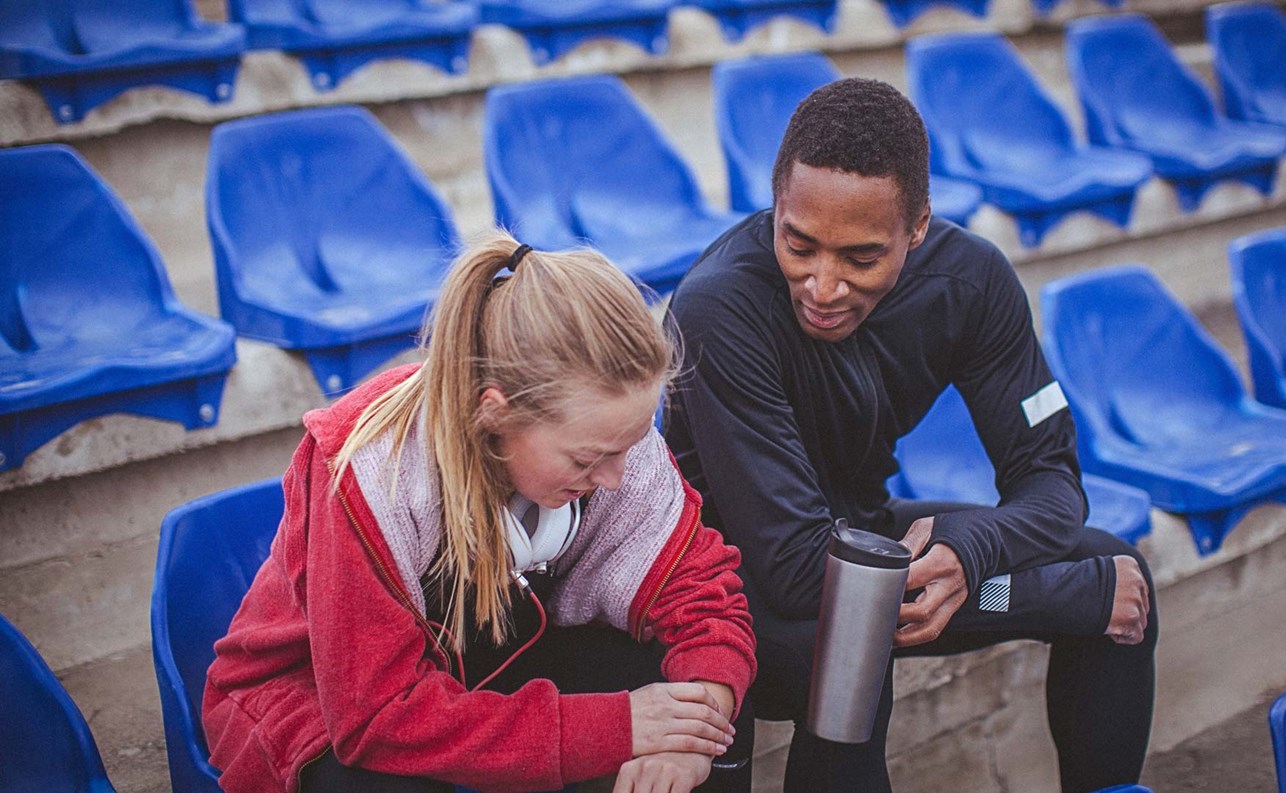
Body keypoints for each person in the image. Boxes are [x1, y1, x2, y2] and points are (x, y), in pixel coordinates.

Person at [664, 78, 1155, 793]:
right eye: (798, 243)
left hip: (859, 538)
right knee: (848, 656)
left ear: (916, 228)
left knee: (1117, 562)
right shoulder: (719, 307)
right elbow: (801, 574)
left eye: (860, 258)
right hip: (730, 580)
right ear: (776, 204)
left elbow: (1052, 483)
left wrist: (969, 554)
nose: (822, 285)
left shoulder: (972, 281)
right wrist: (1060, 596)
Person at [203, 232, 757, 793]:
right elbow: (377, 719)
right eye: (590, 458)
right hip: (320, 700)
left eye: (627, 448)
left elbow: (703, 596)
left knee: (702, 699)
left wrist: (694, 728)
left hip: (493, 660)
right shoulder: (370, 473)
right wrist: (617, 728)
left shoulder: (610, 435)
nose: (615, 478)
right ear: (494, 414)